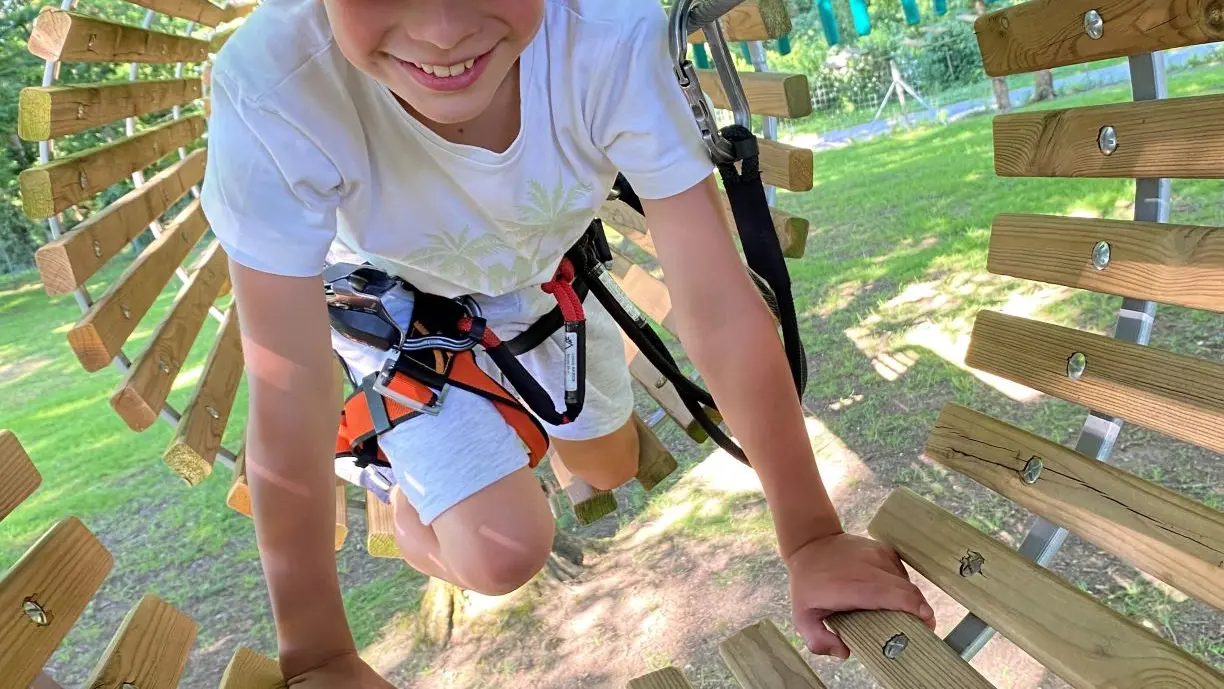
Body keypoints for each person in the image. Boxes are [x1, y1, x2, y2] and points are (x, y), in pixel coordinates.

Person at [201, 0, 935, 685]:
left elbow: (714, 300)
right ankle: (407, 483)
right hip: (396, 309)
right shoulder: (273, 89)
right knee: (504, 551)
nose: (443, 31)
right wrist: (322, 651)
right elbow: (288, 382)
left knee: (609, 465)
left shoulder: (608, 29)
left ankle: (489, 436)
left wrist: (810, 537)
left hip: (539, 273)